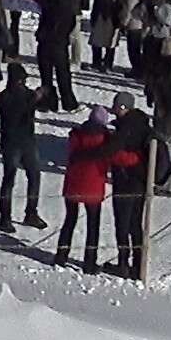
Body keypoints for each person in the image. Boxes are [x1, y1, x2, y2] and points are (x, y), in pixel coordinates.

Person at [57, 104, 117, 271]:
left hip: (73, 183)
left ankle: (61, 256)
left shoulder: (77, 134)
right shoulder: (106, 138)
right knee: (92, 225)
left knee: (69, 220)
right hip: (94, 185)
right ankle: (89, 263)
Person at [105, 94, 153, 278]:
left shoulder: (125, 128)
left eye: (117, 107)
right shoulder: (143, 124)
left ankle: (123, 264)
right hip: (140, 182)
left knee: (123, 225)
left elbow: (111, 151)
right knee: (135, 224)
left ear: (123, 107)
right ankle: (138, 264)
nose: (115, 111)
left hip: (125, 182)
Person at [0, 60, 46, 232]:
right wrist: (35, 98)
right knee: (15, 179)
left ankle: (21, 214)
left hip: (18, 141)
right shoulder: (17, 97)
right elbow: (21, 110)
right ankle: (11, 216)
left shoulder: (5, 96)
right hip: (18, 142)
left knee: (22, 178)